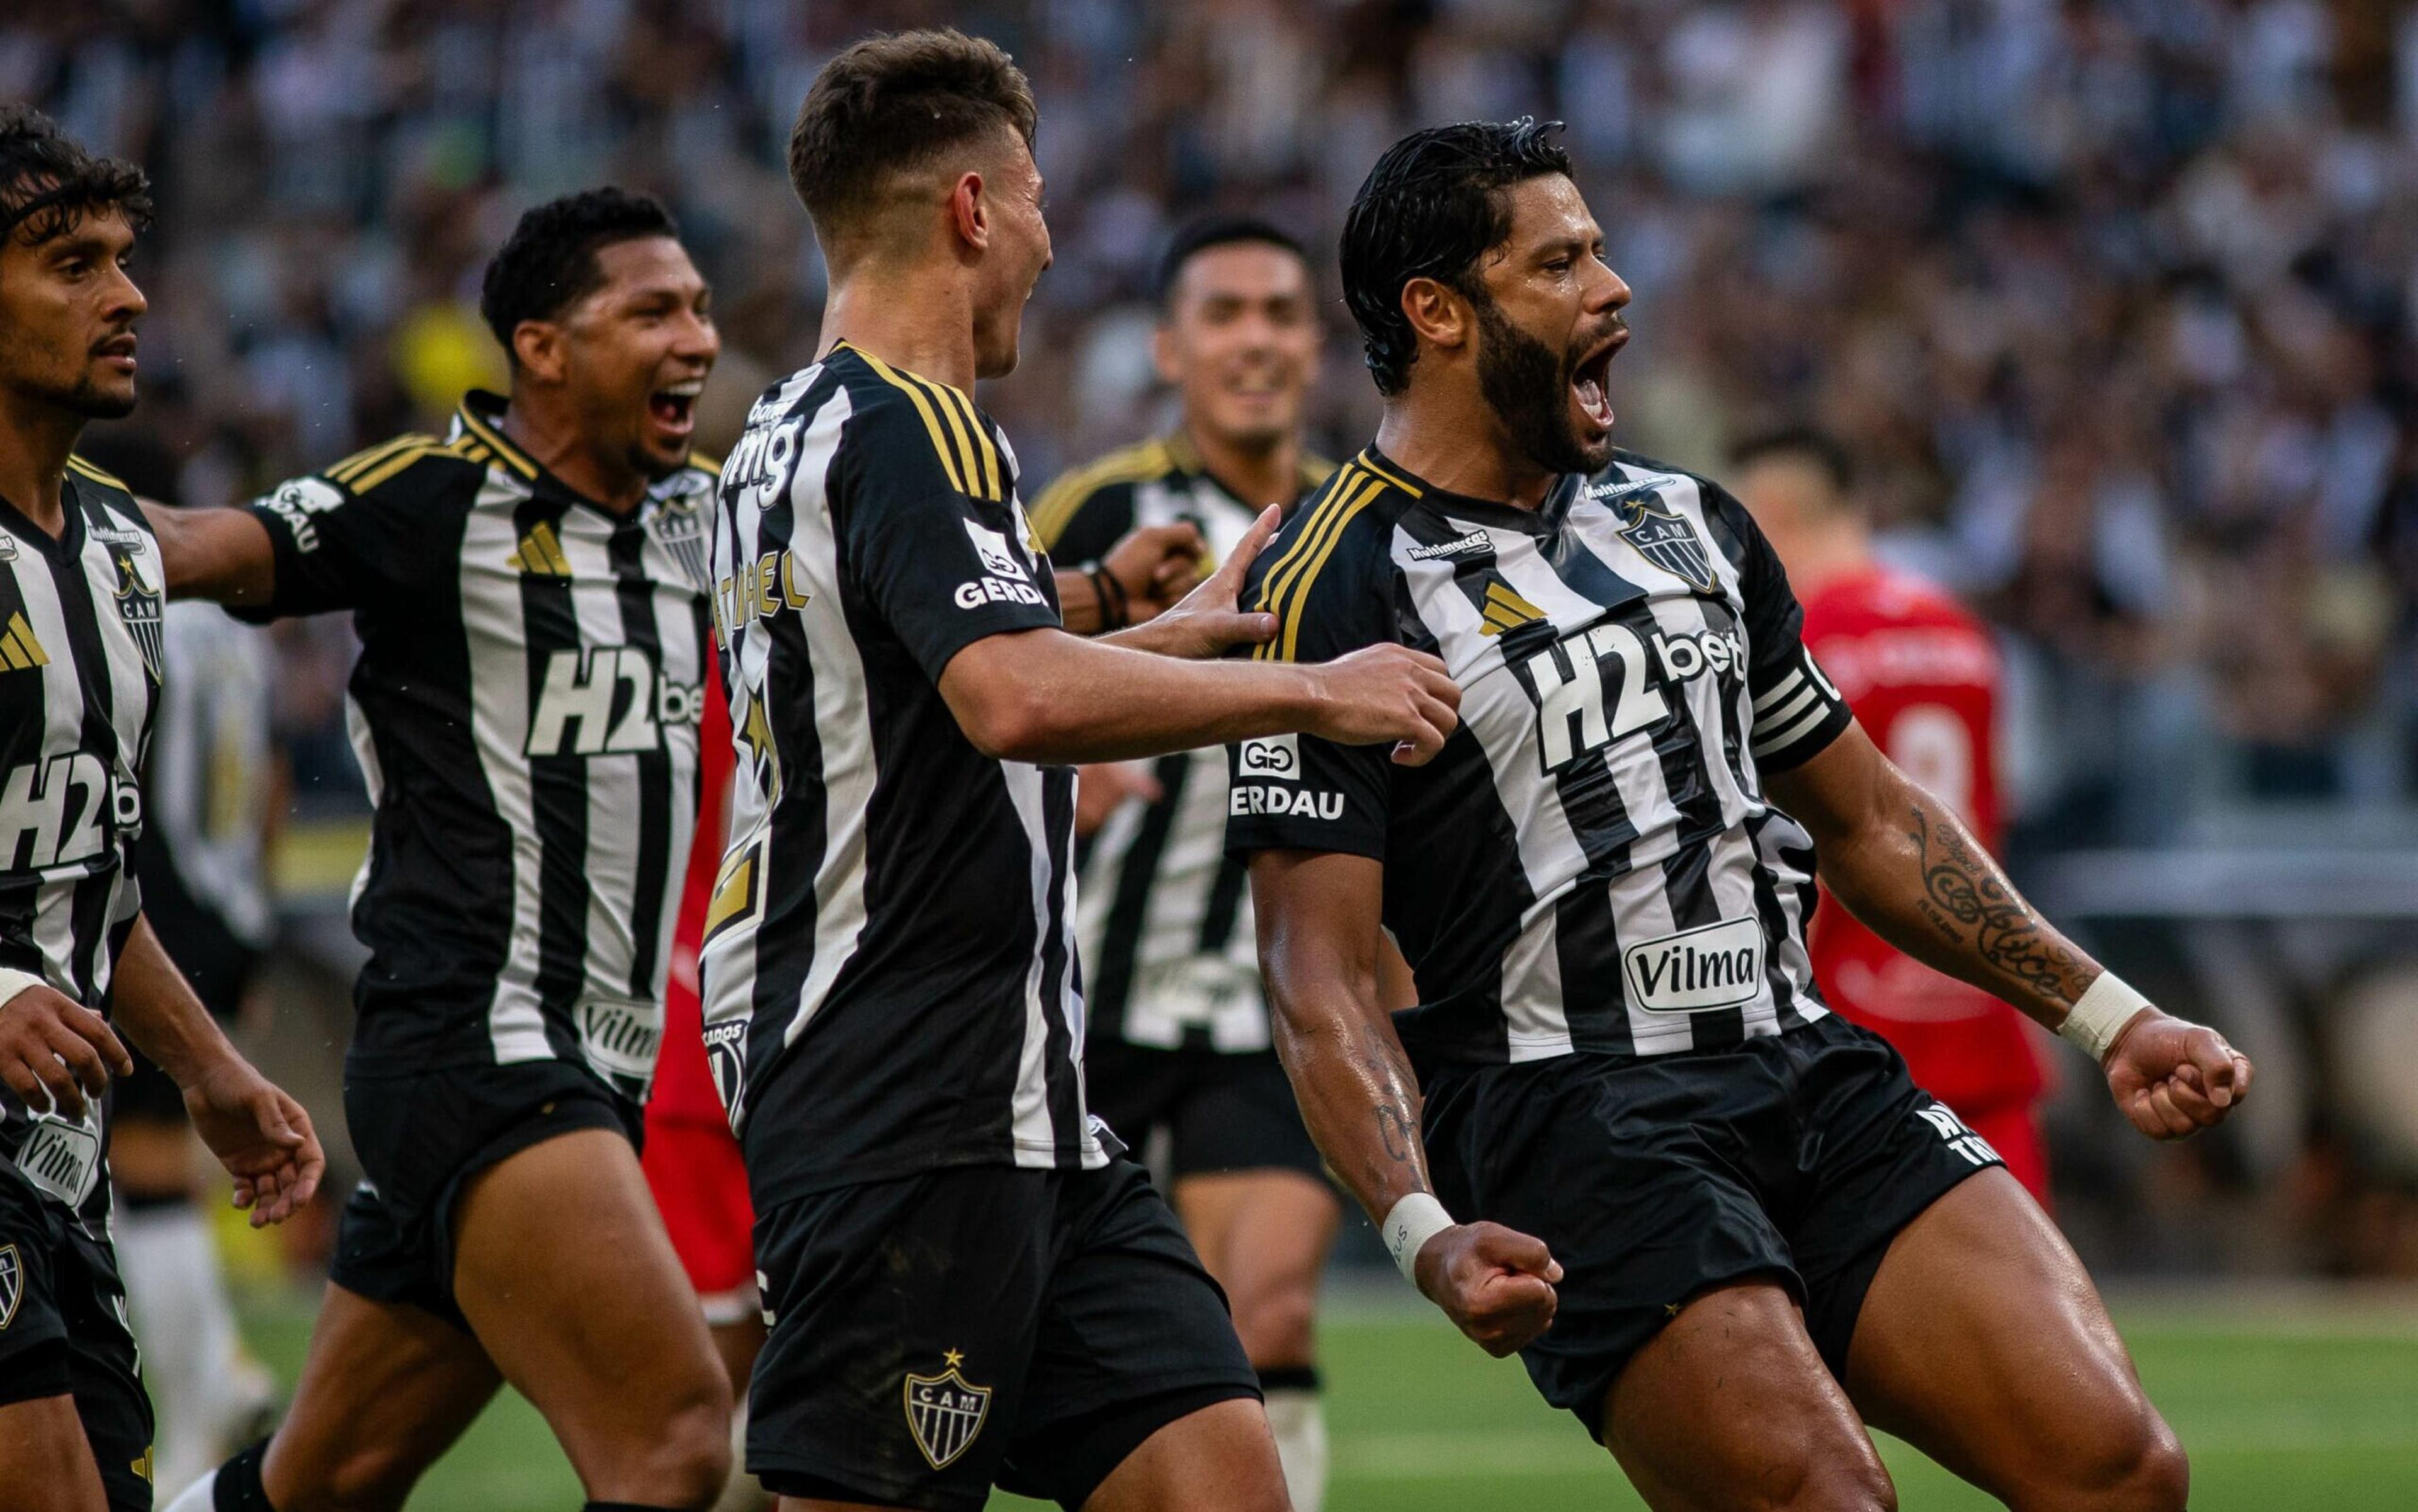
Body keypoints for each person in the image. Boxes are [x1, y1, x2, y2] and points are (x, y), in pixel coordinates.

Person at [1229, 118, 2250, 1512]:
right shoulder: (1330, 573)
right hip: (1570, 1115)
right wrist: (1420, 1229)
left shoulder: (1689, 520)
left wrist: (2112, 1016)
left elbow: (1874, 820)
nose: (1614, 288)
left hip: (1803, 1064)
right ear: (1439, 312)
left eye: (1600, 249)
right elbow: (1318, 971)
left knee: (2124, 1472)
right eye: (1562, 262)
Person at [704, 30, 1458, 1512]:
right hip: (898, 1099)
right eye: (1037, 202)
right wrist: (1311, 687)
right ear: (972, 211)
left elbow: (934, 675)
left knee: (1221, 1479)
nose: (1051, 245)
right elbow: (1005, 699)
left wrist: (1158, 630)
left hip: (1031, 1105)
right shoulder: (909, 425)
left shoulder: (793, 430)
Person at [156, 188, 742, 1512]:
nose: (696, 337)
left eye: (701, 306)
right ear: (543, 348)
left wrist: (1106, 604)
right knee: (678, 1435)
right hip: (482, 1041)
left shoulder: (706, 519)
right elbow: (198, 547)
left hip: (585, 1066)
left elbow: (911, 596)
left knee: (326, 1478)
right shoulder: (438, 501)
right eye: (652, 311)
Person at [0, 106, 324, 1512]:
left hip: (54, 1166)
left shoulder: (123, 552)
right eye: (72, 263)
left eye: (125, 260)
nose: (128, 295)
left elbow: (96, 873)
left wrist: (206, 1072)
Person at [1027, 213, 1341, 1511]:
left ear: (1318, 345)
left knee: (1263, 1316)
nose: (1256, 340)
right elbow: (989, 679)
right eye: (1225, 313)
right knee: (990, 1326)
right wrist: (1068, 754)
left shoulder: (1353, 524)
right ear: (1168, 345)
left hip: (1261, 1001)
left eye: (1281, 312)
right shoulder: (1096, 512)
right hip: (1079, 991)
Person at [1730, 426, 2053, 1203]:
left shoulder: (1792, 646)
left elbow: (1789, 849)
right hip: (1978, 1014)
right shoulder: (1964, 634)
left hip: (1850, 1047)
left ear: (1767, 513)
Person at [79, 429, 283, 1499]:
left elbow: (109, 760)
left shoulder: (105, 583)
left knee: (142, 1166)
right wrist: (250, 909)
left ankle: (203, 1399)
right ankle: (212, 1372)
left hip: (144, 901)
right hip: (230, 901)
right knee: (147, 1167)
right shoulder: (235, 627)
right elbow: (277, 775)